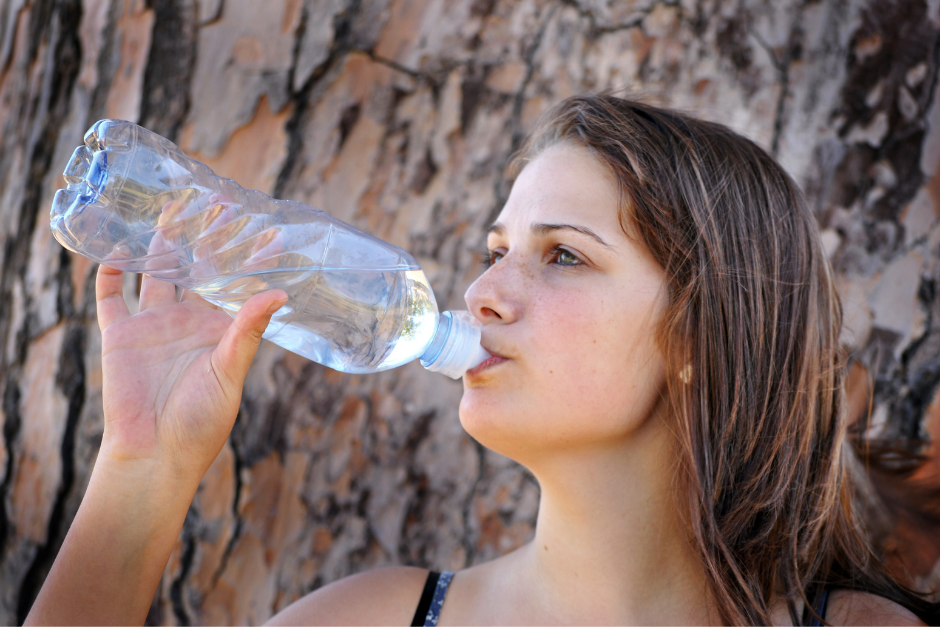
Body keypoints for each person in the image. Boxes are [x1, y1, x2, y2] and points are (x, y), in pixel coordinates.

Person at [25, 95, 939, 625]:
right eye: (496, 249)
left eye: (563, 255)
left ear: (699, 334)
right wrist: (142, 469)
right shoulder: (374, 620)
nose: (486, 291)